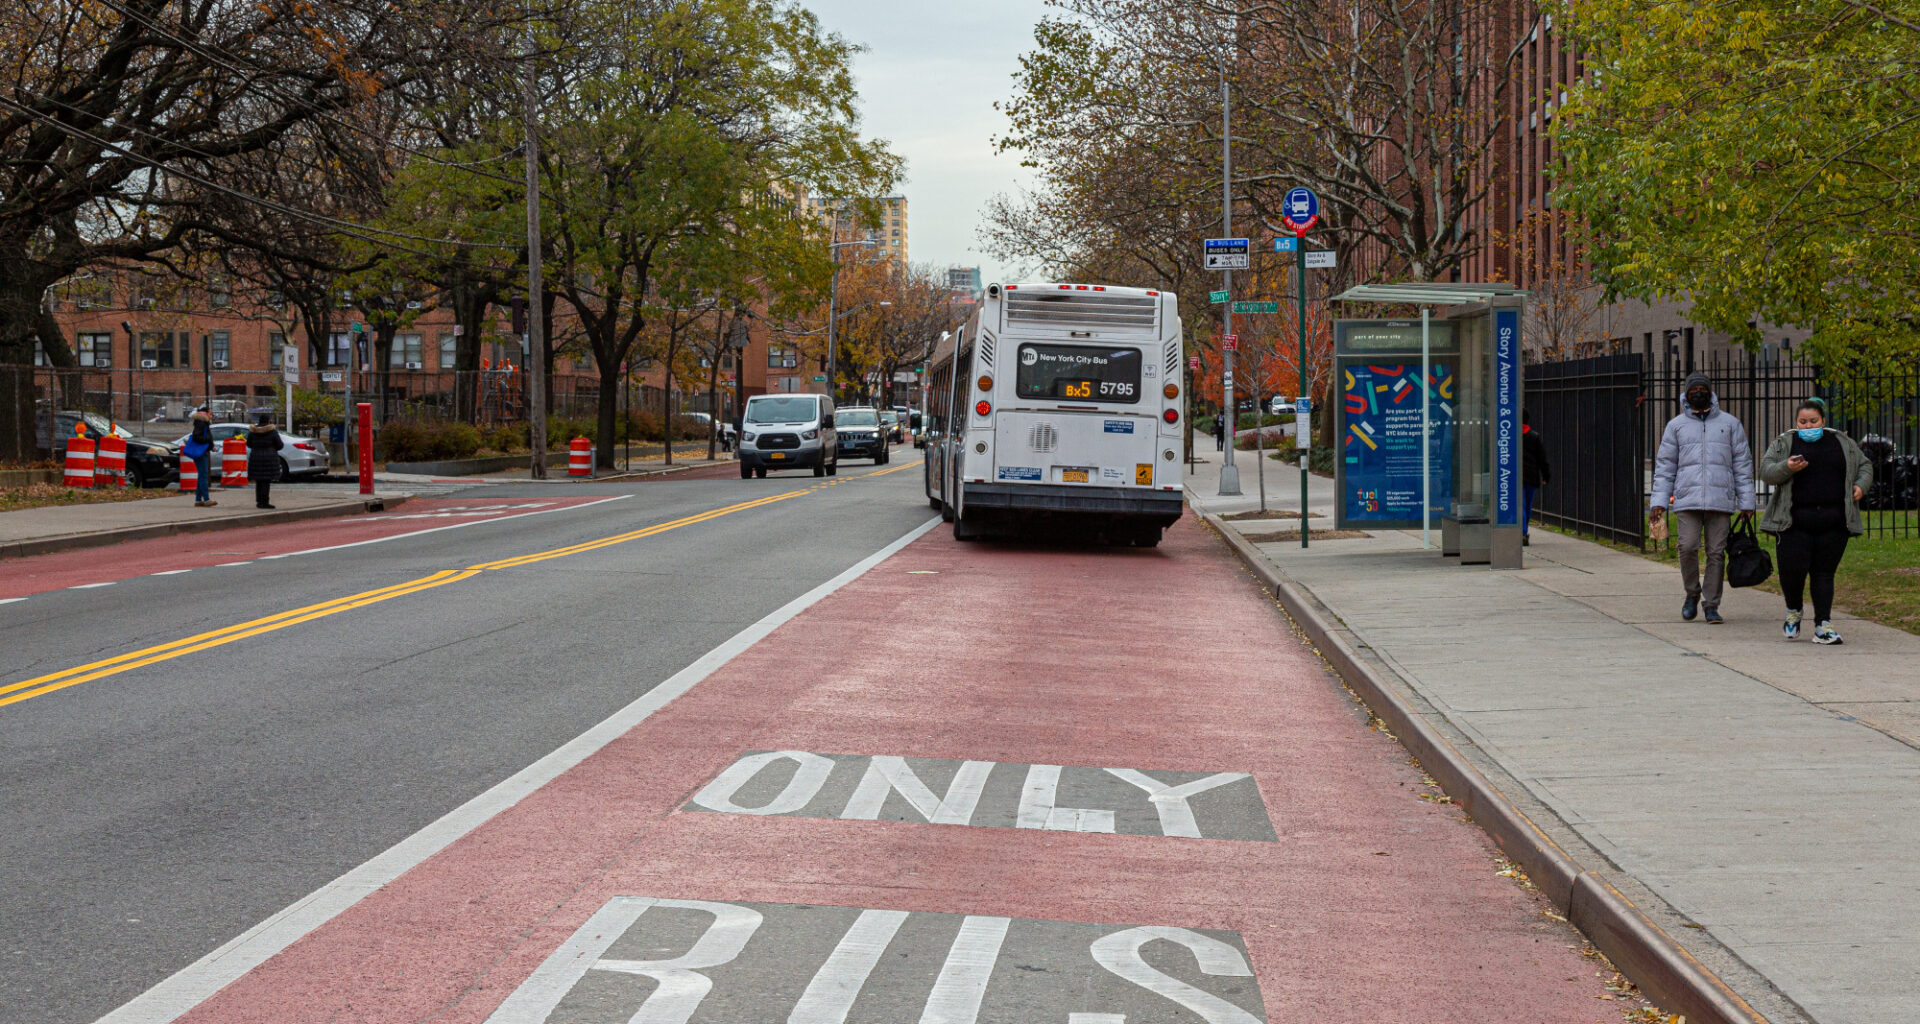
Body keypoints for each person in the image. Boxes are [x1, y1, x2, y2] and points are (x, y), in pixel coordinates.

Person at [1759, 398, 1873, 645]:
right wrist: (1787, 467)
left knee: (1824, 574)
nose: (1808, 426)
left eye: (1813, 421)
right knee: (1792, 573)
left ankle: (1823, 625)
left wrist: (1860, 487)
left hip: (1833, 523)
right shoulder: (1784, 442)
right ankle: (1793, 612)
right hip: (1793, 523)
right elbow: (1766, 472)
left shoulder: (1841, 442)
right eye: (1803, 422)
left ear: (1823, 421)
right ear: (1796, 422)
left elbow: (1865, 466)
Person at [1650, 370, 1755, 624]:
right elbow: (1665, 466)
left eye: (1703, 390)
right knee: (1686, 546)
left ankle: (1711, 603)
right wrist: (1658, 502)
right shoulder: (1676, 426)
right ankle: (1691, 593)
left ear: (1710, 393)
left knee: (1716, 552)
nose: (1698, 393)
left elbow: (1743, 464)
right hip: (1687, 498)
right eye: (1693, 390)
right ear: (1686, 395)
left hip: (1720, 499)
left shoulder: (1730, 424)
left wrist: (1747, 501)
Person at [1521, 409, 1551, 546]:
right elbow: (1542, 459)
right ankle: (1523, 531)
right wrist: (1546, 475)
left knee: (1519, 505)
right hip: (1531, 476)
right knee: (1527, 505)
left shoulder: (1509, 435)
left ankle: (1522, 532)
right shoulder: (1534, 437)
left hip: (1514, 477)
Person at [246, 415, 283, 509]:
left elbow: (249, 444)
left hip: (255, 457)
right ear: (269, 421)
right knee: (266, 481)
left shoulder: (253, 432)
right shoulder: (272, 432)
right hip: (269, 458)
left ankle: (259, 501)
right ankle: (265, 502)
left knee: (259, 481)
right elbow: (280, 445)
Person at [182, 409, 217, 507]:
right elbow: (197, 437)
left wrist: (211, 445)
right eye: (210, 413)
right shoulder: (201, 423)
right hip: (201, 453)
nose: (211, 416)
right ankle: (206, 499)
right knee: (203, 476)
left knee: (201, 476)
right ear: (205, 414)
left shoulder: (202, 423)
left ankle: (198, 500)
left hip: (202, 452)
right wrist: (208, 440)